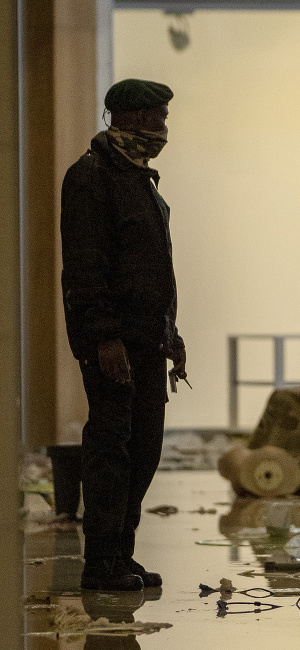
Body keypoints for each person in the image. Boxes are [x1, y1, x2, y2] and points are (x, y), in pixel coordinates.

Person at [61, 78, 187, 592]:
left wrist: (170, 334)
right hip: (114, 345)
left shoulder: (140, 180)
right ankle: (100, 562)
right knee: (111, 449)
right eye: (156, 117)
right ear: (130, 119)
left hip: (148, 340)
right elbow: (85, 268)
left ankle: (122, 553)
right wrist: (104, 338)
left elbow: (154, 271)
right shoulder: (91, 177)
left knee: (145, 448)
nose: (163, 128)